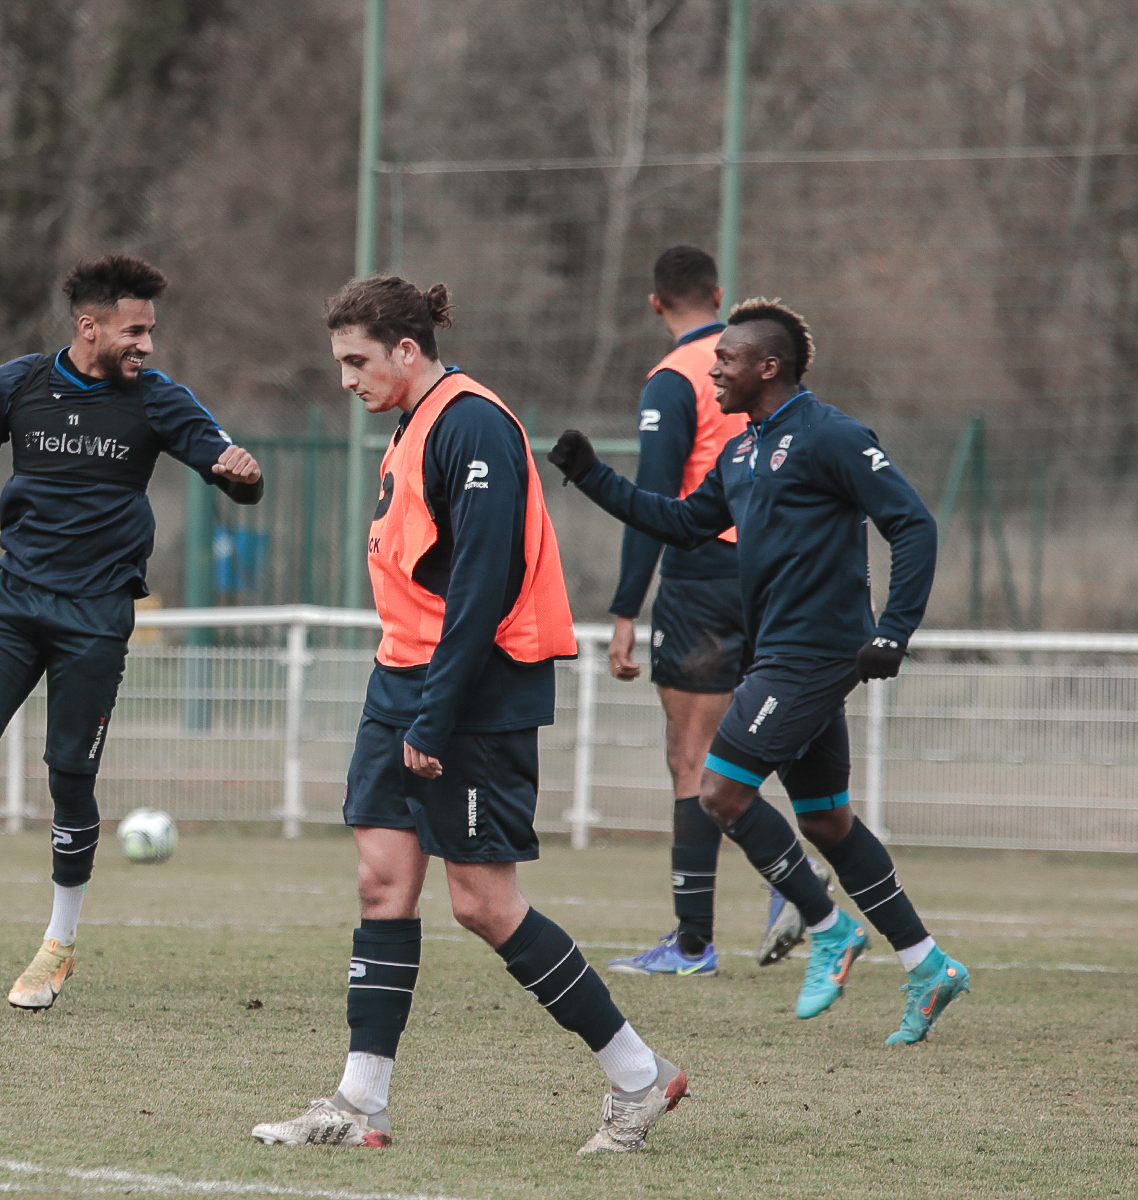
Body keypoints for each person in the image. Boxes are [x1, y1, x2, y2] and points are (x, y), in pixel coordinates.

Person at [250, 277, 685, 1155]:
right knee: (381, 879)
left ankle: (640, 1078)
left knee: (484, 904)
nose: (346, 380)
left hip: (473, 695)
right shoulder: (411, 427)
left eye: (356, 362)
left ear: (406, 351)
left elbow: (484, 585)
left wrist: (434, 721)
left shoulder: (472, 421)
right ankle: (359, 1103)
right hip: (400, 677)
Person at [0, 254, 263, 1012]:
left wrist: (242, 474)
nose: (148, 345)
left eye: (152, 331)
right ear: (88, 326)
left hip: (96, 614)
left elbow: (228, 475)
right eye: (135, 330)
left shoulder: (160, 401)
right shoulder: (15, 385)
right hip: (13, 602)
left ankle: (59, 945)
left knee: (69, 777)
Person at [546, 298, 971, 1045]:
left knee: (721, 792)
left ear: (767, 367)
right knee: (826, 820)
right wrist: (591, 477)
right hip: (775, 651)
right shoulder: (741, 451)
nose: (714, 368)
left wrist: (894, 632)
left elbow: (912, 523)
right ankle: (927, 963)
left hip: (817, 652)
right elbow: (681, 521)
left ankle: (825, 927)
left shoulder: (831, 435)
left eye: (728, 360)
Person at [599, 245, 750, 979]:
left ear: (655, 304)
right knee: (758, 751)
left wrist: (626, 608)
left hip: (704, 576)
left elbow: (656, 506)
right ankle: (800, 896)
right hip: (777, 572)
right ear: (718, 296)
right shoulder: (762, 362)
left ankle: (694, 943)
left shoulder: (675, 377)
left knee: (692, 758)